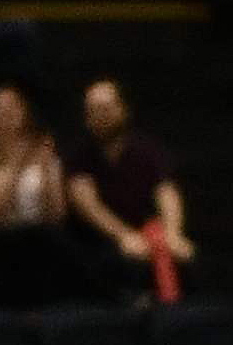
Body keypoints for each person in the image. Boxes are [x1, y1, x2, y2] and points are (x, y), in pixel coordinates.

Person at [0, 82, 82, 307]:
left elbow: (57, 216)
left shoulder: (44, 157)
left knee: (57, 244)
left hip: (34, 242)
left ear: (25, 114)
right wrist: (17, 167)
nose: (7, 115)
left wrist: (48, 171)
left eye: (13, 108)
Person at [64, 78, 197, 295]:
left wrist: (173, 234)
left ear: (123, 109)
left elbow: (166, 191)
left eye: (107, 108)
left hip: (148, 232)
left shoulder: (147, 150)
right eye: (94, 110)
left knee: (184, 257)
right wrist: (123, 236)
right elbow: (86, 204)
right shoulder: (79, 156)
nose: (102, 116)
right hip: (98, 241)